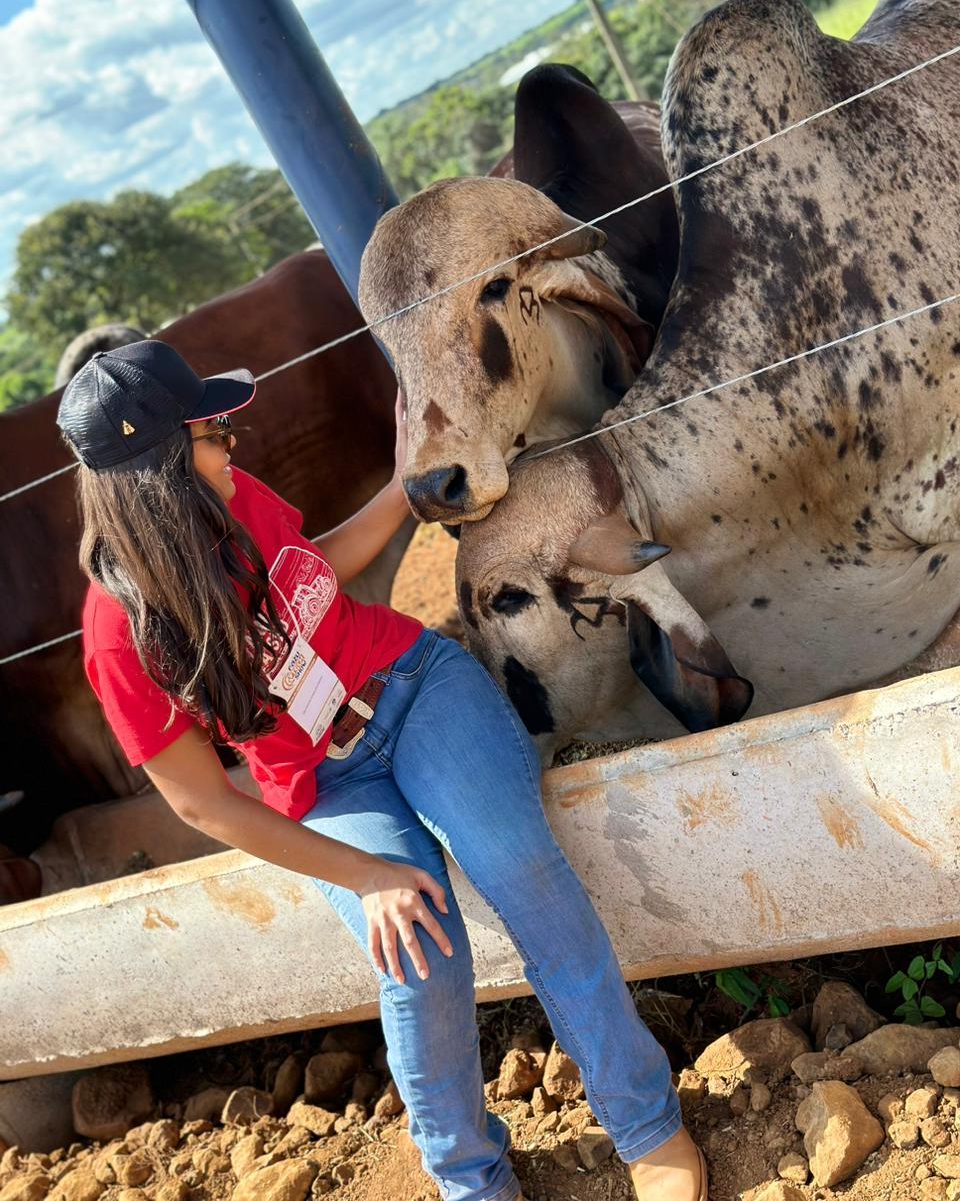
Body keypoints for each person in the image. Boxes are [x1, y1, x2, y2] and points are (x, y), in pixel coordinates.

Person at [57, 339, 707, 1201]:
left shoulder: (230, 497)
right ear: (163, 468)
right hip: (325, 785)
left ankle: (644, 1120)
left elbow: (313, 566)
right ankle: (470, 1178)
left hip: (412, 688)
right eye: (213, 431)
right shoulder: (119, 635)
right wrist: (367, 877)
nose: (233, 444)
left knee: (519, 867)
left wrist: (404, 493)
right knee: (416, 948)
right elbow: (205, 805)